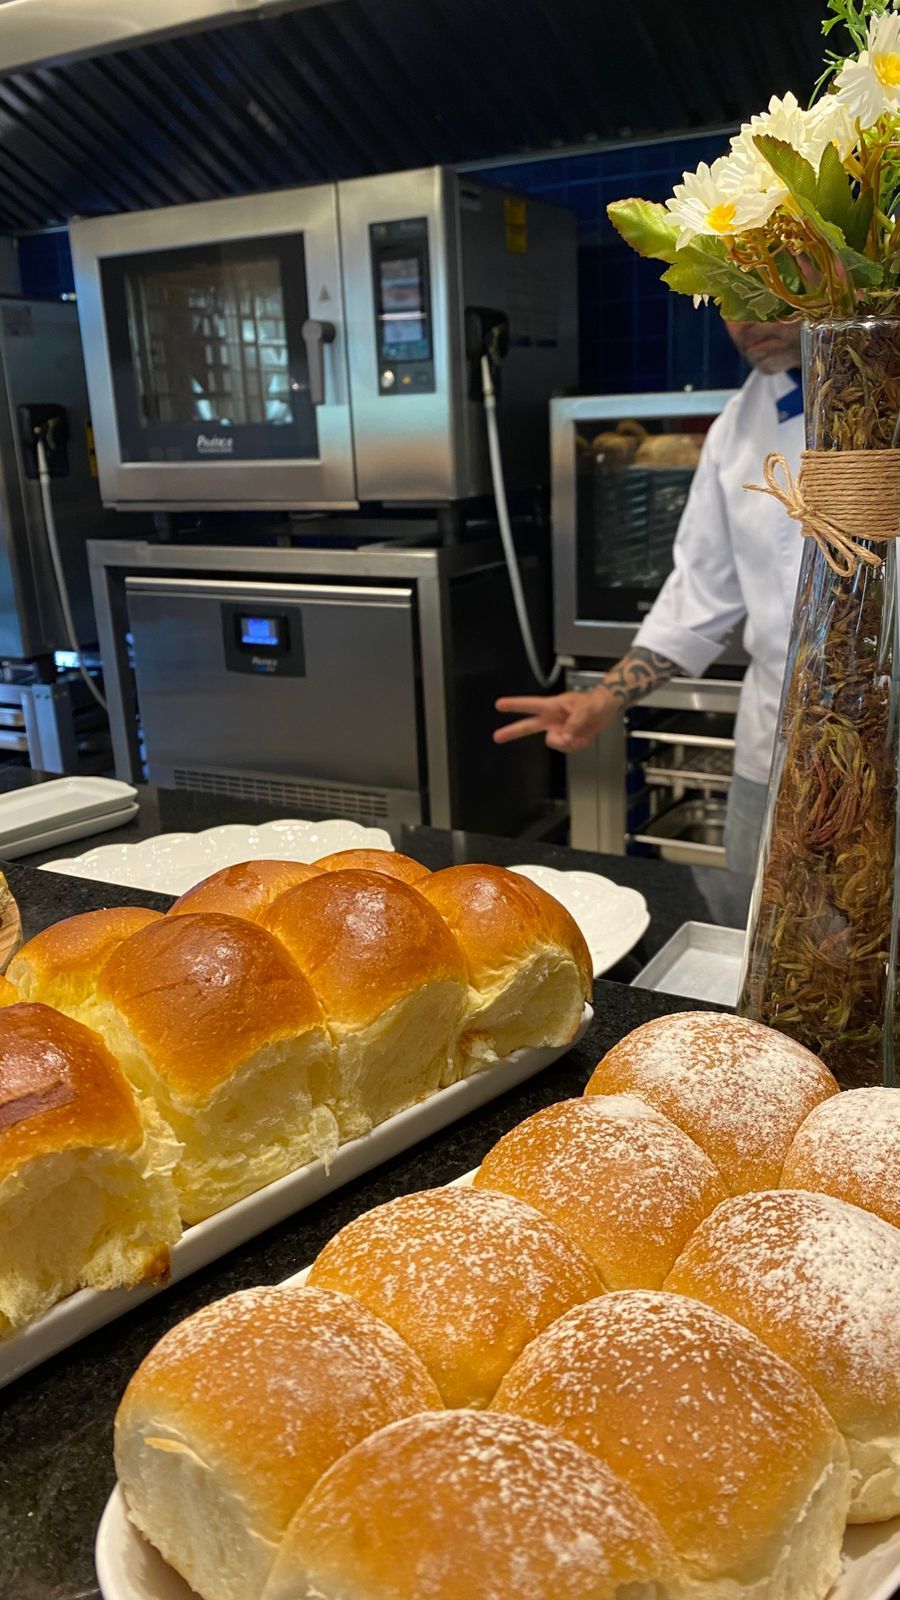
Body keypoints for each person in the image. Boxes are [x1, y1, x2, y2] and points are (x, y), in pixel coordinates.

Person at [495, 318, 805, 876]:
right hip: (775, 746)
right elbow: (698, 594)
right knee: (750, 931)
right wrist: (603, 699)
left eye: (771, 272)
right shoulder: (738, 426)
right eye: (726, 295)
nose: (746, 315)